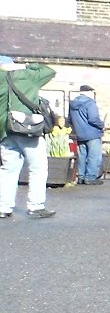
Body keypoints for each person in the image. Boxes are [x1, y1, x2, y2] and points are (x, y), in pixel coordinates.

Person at [0, 55, 57, 219]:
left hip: (5, 132)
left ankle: (4, 207)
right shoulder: (26, 76)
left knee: (8, 170)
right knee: (37, 168)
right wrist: (27, 66)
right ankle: (36, 206)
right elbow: (48, 71)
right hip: (27, 129)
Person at [67, 83, 105, 185]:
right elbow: (93, 119)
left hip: (79, 134)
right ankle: (90, 177)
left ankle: (81, 177)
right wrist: (101, 125)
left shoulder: (72, 104)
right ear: (89, 92)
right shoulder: (90, 103)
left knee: (82, 156)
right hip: (92, 133)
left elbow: (69, 120)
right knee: (93, 156)